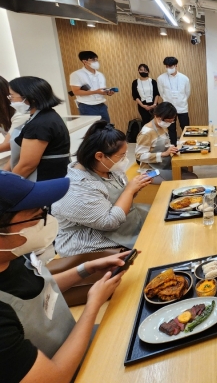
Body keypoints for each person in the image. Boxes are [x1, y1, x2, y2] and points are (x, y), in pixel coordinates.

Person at [0, 171, 133, 383]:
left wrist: (85, 269)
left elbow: (39, 295)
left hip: (73, 344)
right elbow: (55, 377)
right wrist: (92, 306)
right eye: (36, 217)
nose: (46, 221)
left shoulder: (13, 256)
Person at [51, 122, 152, 257]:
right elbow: (109, 222)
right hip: (92, 245)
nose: (125, 159)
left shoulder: (108, 168)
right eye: (121, 155)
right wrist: (129, 191)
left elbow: (119, 198)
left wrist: (135, 188)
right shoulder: (76, 188)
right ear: (99, 156)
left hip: (123, 226)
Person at [7, 77, 70, 182]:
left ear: (28, 96)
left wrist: (8, 184)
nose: (10, 100)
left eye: (12, 96)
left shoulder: (40, 124)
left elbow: (27, 165)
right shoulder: (45, 116)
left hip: (42, 180)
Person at [135, 102, 181, 184]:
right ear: (156, 116)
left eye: (171, 121)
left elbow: (165, 143)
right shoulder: (146, 133)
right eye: (167, 121)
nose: (168, 123)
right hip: (150, 170)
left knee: (189, 175)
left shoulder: (162, 127)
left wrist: (171, 148)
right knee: (186, 179)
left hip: (163, 165)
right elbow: (139, 155)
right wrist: (163, 154)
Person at [69, 51, 114, 123]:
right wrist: (95, 91)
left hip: (101, 105)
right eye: (93, 60)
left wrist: (108, 92)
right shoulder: (76, 74)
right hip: (87, 106)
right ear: (85, 61)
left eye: (97, 60)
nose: (96, 62)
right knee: (92, 130)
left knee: (107, 128)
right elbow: (76, 91)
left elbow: (101, 90)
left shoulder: (100, 74)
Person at [157, 57, 191, 145]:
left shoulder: (184, 78)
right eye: (167, 66)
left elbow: (187, 93)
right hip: (169, 109)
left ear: (176, 65)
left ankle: (188, 144)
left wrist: (180, 100)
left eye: (171, 66)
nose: (169, 68)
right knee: (171, 129)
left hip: (182, 107)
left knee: (185, 127)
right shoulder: (161, 78)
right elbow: (161, 93)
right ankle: (174, 146)